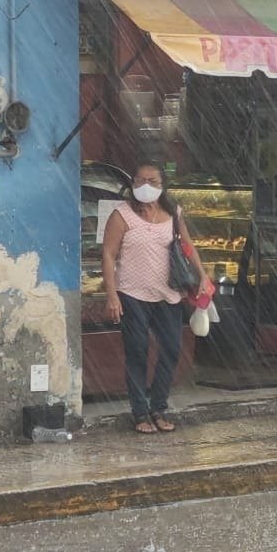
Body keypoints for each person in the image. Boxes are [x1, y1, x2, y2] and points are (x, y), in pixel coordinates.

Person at [102, 162, 211, 434]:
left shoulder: (173, 214)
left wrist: (202, 275)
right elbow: (108, 255)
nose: (146, 186)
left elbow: (187, 246)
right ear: (132, 184)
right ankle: (140, 412)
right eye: (140, 181)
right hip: (132, 295)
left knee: (172, 349)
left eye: (152, 181)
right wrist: (112, 296)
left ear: (163, 185)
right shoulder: (122, 215)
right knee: (137, 352)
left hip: (168, 295)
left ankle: (158, 407)